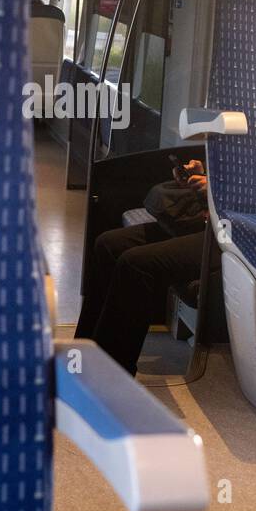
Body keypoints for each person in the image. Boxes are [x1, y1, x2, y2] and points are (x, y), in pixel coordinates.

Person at [75, 159, 209, 374]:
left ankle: (113, 374)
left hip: (234, 235)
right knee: (108, 244)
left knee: (135, 264)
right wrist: (201, 174)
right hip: (206, 221)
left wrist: (216, 188)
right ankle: (82, 356)